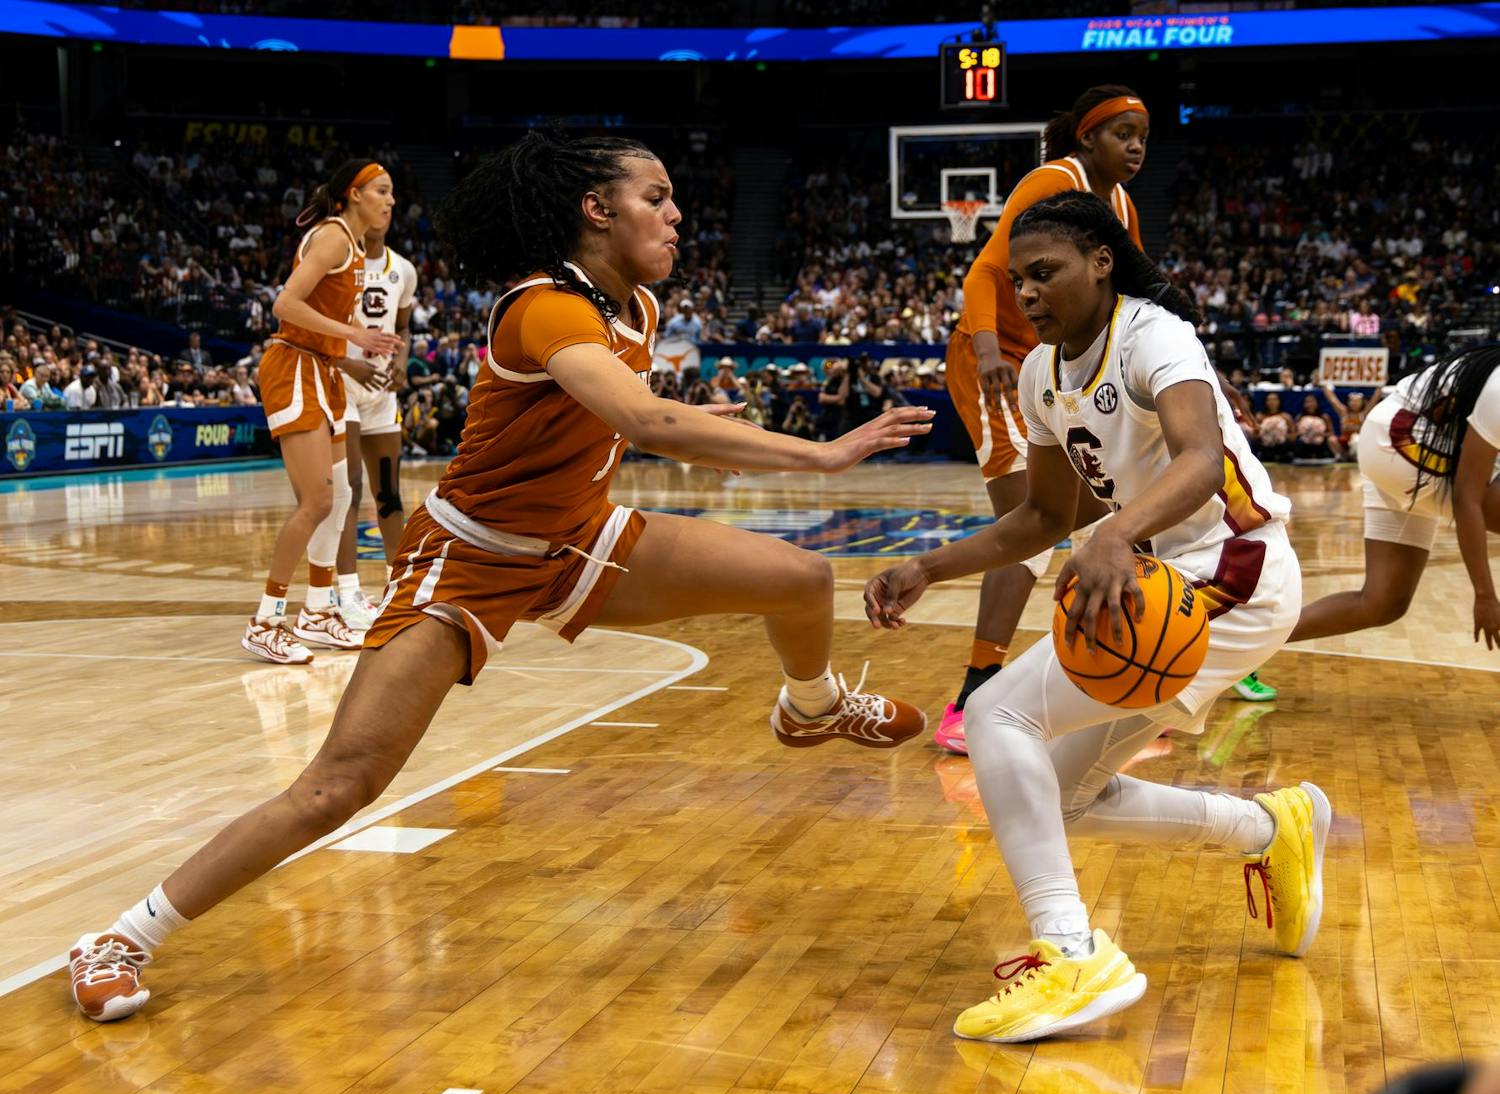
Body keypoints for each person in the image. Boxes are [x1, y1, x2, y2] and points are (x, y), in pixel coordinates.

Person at [66, 132, 932, 1023]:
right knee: (340, 785)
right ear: (596, 210)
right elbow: (640, 412)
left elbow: (601, 416)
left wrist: (668, 422)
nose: (678, 216)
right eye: (657, 197)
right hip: (470, 560)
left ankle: (813, 706)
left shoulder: (631, 304)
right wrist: (821, 455)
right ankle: (122, 936)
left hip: (578, 539)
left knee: (799, 577)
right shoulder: (543, 306)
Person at [864, 192, 1327, 1043]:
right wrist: (927, 565)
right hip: (1171, 583)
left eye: (1047, 273)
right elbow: (1043, 517)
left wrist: (1116, 528)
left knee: (1001, 711)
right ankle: (1271, 824)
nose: (1030, 293)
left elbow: (1198, 455)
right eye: (1019, 280)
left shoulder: (1154, 333)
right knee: (1067, 795)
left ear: (1101, 262)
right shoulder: (1042, 373)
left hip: (1233, 569)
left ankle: (1070, 951)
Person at [936, 85, 1186, 756]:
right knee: (1030, 526)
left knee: (1125, 497)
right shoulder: (1055, 180)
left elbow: (1137, 289)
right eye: (1122, 133)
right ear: (1087, 139)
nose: (1135, 145)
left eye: (1143, 133)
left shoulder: (1122, 206)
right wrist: (989, 349)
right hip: (995, 358)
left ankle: (1128, 675)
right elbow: (985, 272)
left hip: (1060, 359)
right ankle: (973, 693)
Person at [239, 159, 401, 665]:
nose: (390, 201)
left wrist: (350, 357)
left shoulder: (352, 246)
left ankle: (317, 611)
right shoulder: (332, 236)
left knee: (343, 494)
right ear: (353, 194)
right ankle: (265, 620)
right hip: (293, 367)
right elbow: (285, 305)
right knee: (315, 500)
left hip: (324, 368)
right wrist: (354, 335)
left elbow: (325, 323)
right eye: (381, 190)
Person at [1290, 346, 1500, 649]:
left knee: (1382, 602)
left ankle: (1241, 650)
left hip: (1399, 436)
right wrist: (1484, 596)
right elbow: (1467, 498)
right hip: (1402, 438)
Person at [334, 212, 419, 631]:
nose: (385, 209)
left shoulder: (403, 269)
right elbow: (317, 330)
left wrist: (401, 364)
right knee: (348, 488)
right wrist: (349, 364)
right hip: (342, 385)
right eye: (378, 198)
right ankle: (346, 591)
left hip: (382, 390)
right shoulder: (337, 263)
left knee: (389, 492)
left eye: (391, 201)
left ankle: (397, 585)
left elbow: (403, 327)